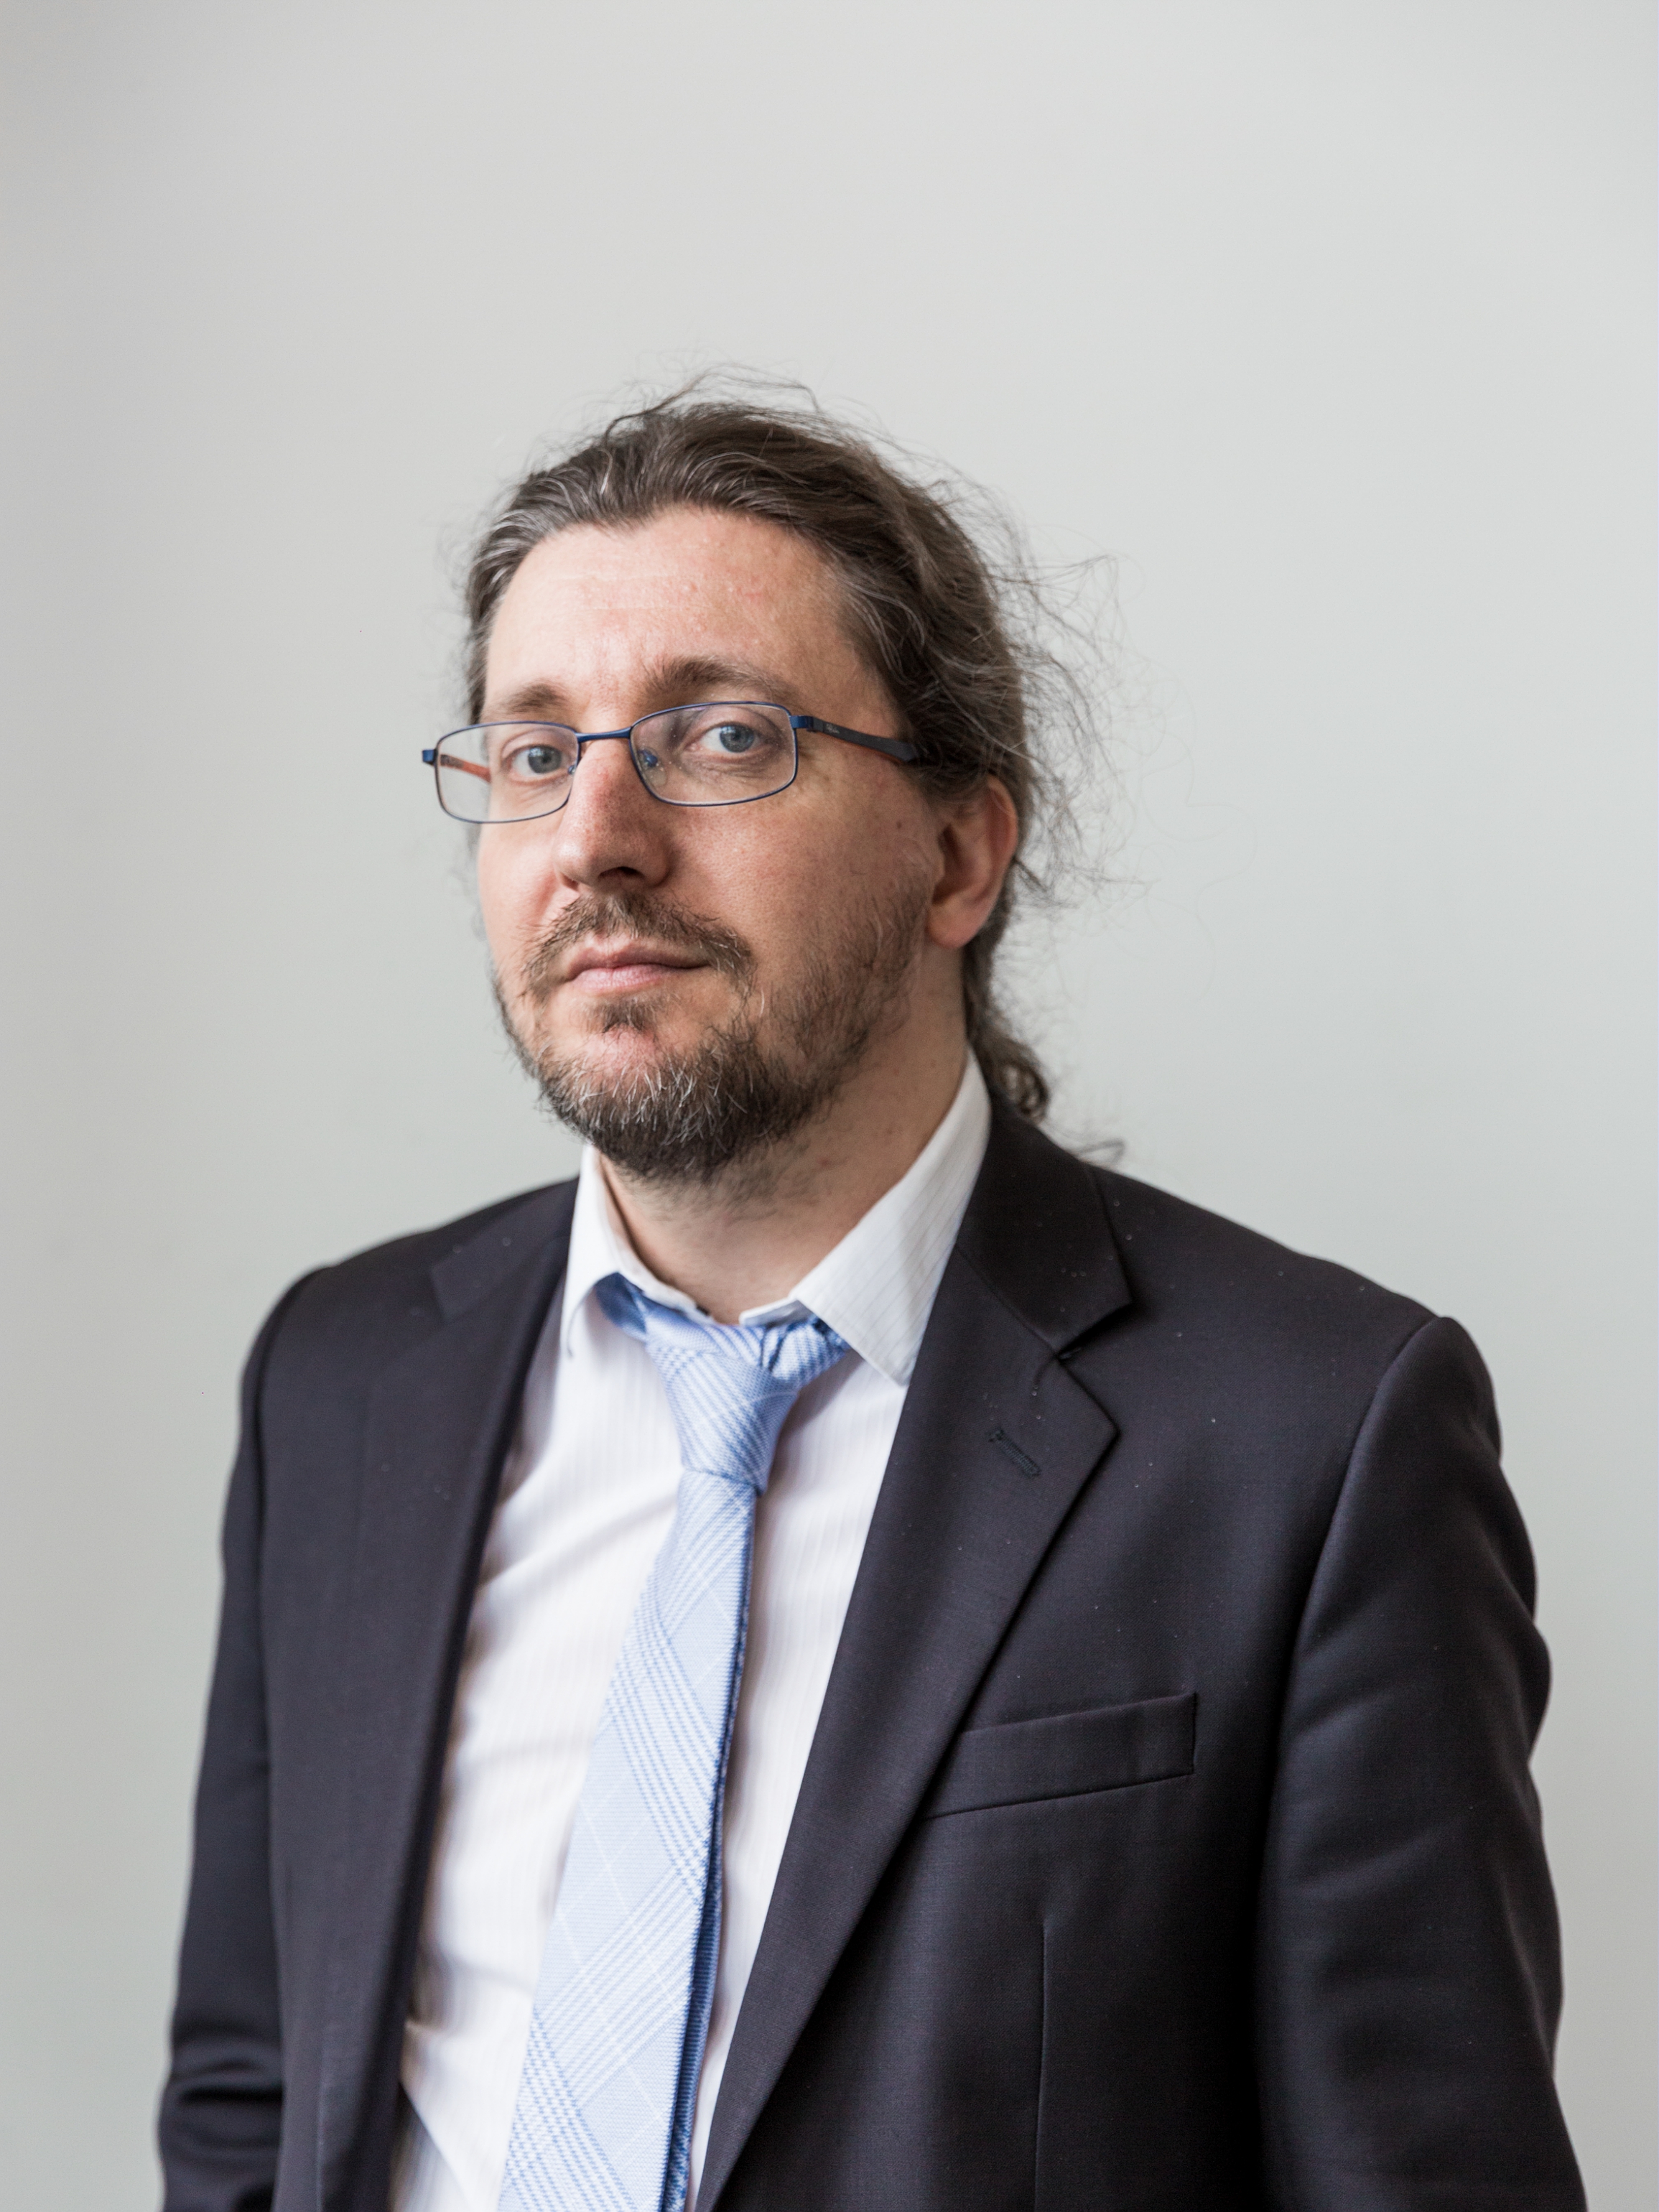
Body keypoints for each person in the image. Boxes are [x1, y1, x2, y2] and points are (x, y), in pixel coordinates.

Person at [159, 391, 1584, 2212]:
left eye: (722, 736)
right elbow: (255, 2095)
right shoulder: (344, 1380)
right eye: (534, 751)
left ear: (959, 855)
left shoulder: (1316, 1439)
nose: (597, 837)